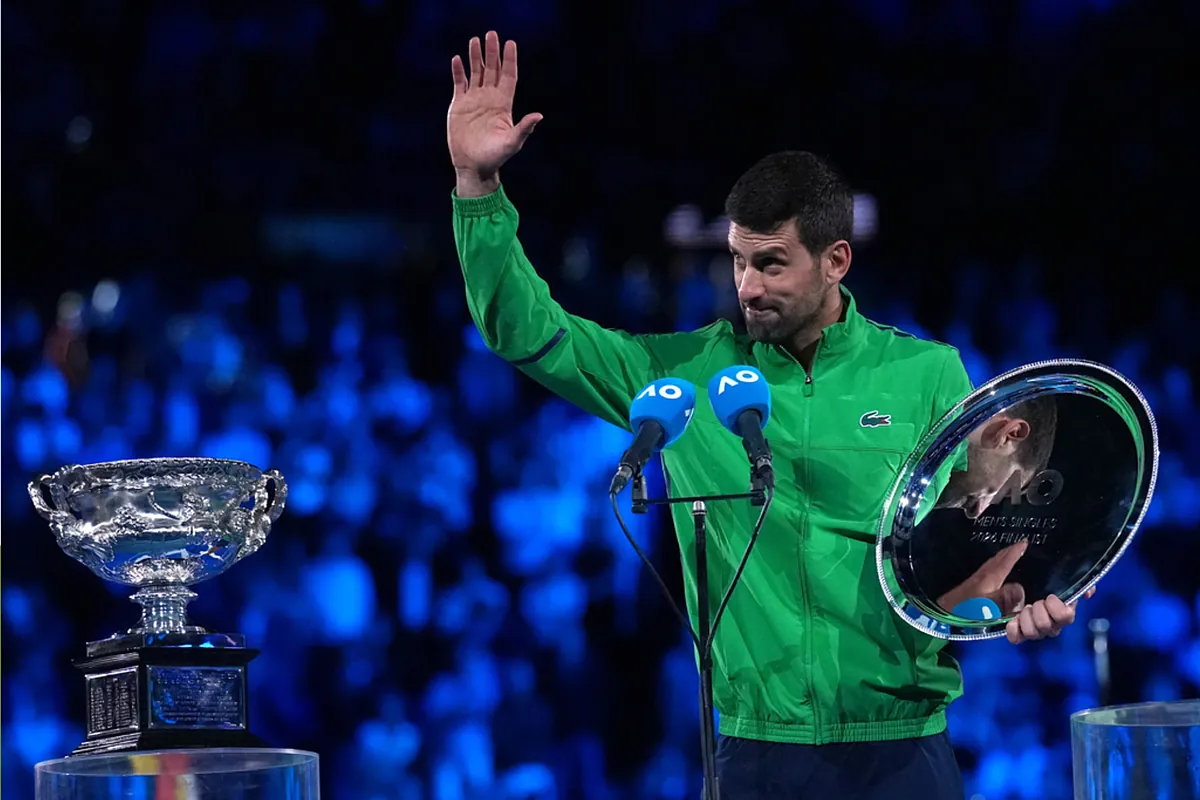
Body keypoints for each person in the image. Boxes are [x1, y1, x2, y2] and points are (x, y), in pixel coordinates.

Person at [446, 31, 1089, 799]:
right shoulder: (683, 377)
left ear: (836, 261)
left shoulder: (926, 375)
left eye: (772, 264)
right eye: (738, 261)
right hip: (756, 753)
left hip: (904, 753)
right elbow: (528, 334)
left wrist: (1018, 602)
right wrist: (477, 189)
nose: (747, 286)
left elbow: (972, 550)